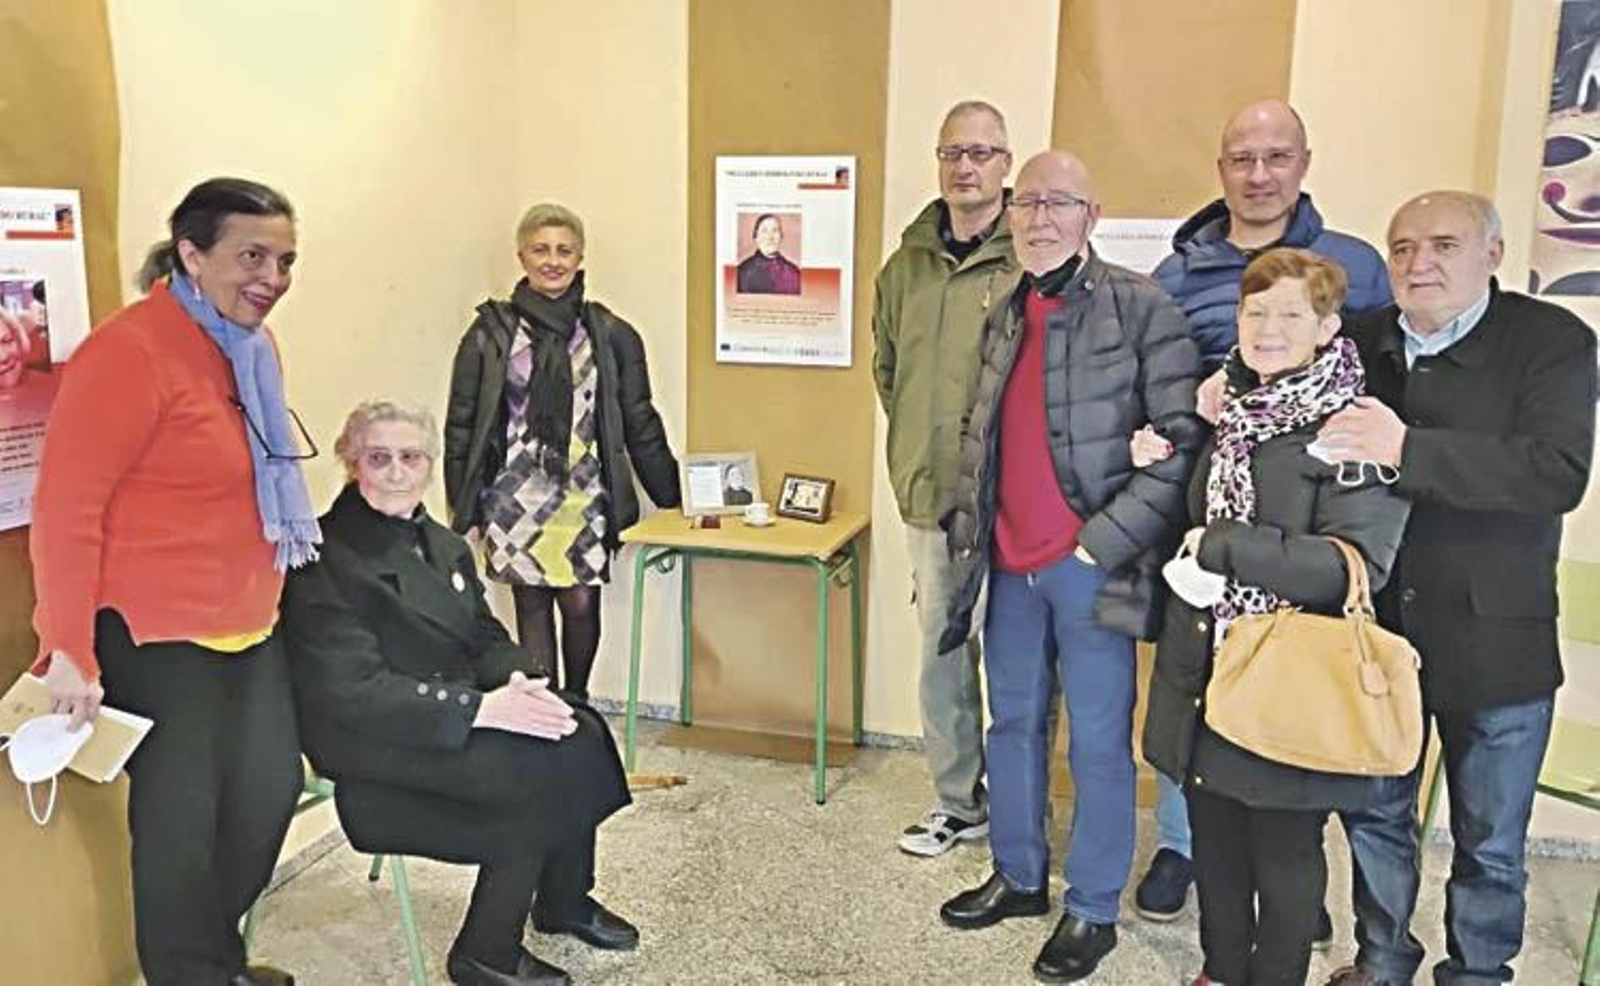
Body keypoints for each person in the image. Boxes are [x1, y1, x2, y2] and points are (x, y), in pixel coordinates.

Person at [28, 177, 315, 986]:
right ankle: (194, 973)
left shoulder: (251, 350)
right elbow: (67, 510)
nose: (273, 277)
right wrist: (68, 649)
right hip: (156, 633)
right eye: (251, 255)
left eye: (286, 259)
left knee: (264, 799)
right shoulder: (130, 351)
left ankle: (211, 957)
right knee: (180, 830)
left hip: (250, 622)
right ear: (191, 254)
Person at [938, 150, 1203, 983]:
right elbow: (985, 437)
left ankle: (1091, 909)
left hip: (1094, 568)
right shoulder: (1006, 309)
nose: (1040, 218)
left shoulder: (1143, 307)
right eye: (1028, 204)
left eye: (1060, 203)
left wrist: (1101, 543)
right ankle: (1019, 876)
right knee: (1009, 725)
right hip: (1009, 565)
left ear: (1092, 214)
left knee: (1095, 743)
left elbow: (1180, 443)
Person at [1323, 192, 1596, 985]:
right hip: (1379, 638)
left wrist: (1410, 448)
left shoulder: (1552, 342)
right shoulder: (1360, 340)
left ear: (1494, 255)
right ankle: (1382, 963)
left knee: (1491, 843)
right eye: (1402, 247)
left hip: (1497, 639)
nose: (1419, 263)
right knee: (1375, 820)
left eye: (1444, 244)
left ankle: (1478, 975)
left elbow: (1555, 474)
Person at [1137, 99, 1392, 926]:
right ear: (1222, 169)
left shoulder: (1352, 262)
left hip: (1309, 505)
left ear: (1303, 163)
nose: (1258, 174)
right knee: (1196, 681)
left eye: (1275, 157)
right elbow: (1159, 382)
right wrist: (1183, 413)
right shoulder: (1178, 272)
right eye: (1241, 158)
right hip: (1207, 500)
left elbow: (1379, 379)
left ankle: (1287, 861)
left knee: (1293, 682)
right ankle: (1185, 846)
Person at [284, 400, 637, 986]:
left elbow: (482, 635)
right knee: (531, 773)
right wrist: (481, 709)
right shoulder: (323, 557)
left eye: (411, 457)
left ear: (428, 466)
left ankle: (563, 900)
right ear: (352, 463)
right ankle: (485, 954)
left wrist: (519, 679)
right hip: (373, 741)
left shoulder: (443, 544)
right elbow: (353, 692)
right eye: (379, 457)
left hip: (451, 713)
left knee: (577, 725)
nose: (397, 471)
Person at [445, 203, 680, 701]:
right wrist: (460, 504)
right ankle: (547, 711)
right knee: (530, 606)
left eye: (563, 250)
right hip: (513, 495)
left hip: (584, 491)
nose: (552, 260)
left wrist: (675, 495)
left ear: (580, 257)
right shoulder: (491, 333)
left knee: (580, 605)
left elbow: (639, 417)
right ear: (522, 256)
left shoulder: (609, 333)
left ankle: (578, 702)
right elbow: (462, 424)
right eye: (541, 249)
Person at [872, 98, 1020, 856]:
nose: (967, 167)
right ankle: (959, 803)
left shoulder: (1031, 259)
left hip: (1018, 509)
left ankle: (1023, 812)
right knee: (942, 656)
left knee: (1023, 664)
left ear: (1007, 165)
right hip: (931, 502)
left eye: (983, 153)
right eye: (954, 152)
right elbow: (889, 372)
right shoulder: (904, 268)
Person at [735, 213, 802, 295]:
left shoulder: (794, 273)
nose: (770, 237)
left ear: (781, 236)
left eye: (775, 230)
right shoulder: (742, 272)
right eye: (764, 231)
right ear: (756, 237)